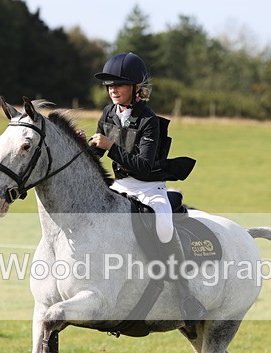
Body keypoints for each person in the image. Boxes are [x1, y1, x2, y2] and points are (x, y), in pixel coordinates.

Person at [88, 52, 205, 323]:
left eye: (119, 84)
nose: (113, 90)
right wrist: (89, 146)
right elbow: (99, 155)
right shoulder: (108, 113)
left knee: (164, 228)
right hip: (119, 186)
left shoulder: (148, 119)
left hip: (149, 188)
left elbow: (142, 166)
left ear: (135, 89)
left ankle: (186, 294)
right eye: (110, 85)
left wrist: (111, 146)